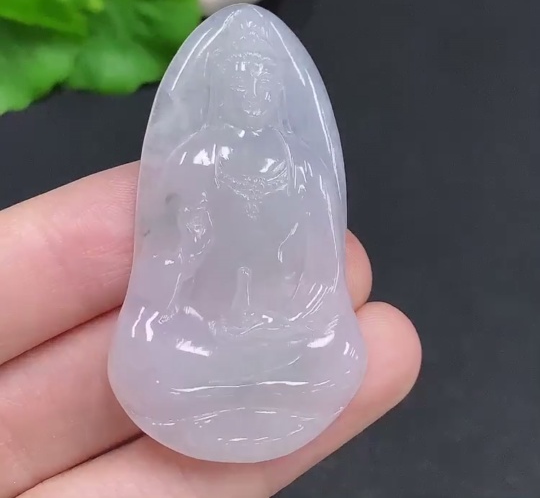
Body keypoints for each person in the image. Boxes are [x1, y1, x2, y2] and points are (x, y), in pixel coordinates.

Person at [0, 162, 421, 497]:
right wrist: (188, 255)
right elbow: (168, 270)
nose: (252, 94)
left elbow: (316, 257)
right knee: (153, 359)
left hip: (275, 323)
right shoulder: (198, 161)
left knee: (330, 354)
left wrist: (291, 302)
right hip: (202, 328)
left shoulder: (298, 166)